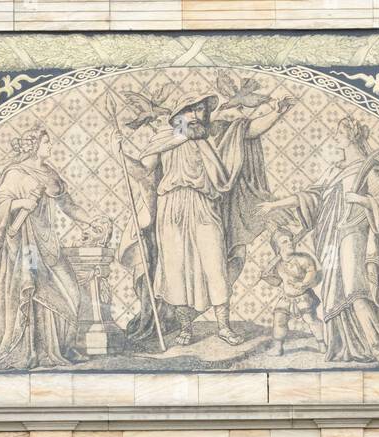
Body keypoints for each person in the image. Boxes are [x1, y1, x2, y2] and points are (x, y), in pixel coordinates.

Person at [117, 92, 290, 348]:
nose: (198, 116)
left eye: (201, 111)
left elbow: (248, 131)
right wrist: (121, 153)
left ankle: (224, 327)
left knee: (215, 266)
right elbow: (143, 171)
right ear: (177, 116)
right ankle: (185, 329)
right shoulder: (163, 139)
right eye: (192, 110)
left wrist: (277, 112)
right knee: (177, 270)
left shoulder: (210, 138)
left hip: (204, 205)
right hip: (171, 207)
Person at [263, 115, 379, 364]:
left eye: (339, 134)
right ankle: (345, 344)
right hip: (330, 238)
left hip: (354, 234)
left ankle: (378, 347)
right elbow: (309, 197)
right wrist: (274, 204)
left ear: (350, 137)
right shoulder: (334, 169)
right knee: (334, 293)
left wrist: (361, 200)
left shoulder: (369, 169)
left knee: (357, 289)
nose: (335, 138)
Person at [0, 128, 105, 368]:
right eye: (46, 142)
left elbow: (68, 205)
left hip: (48, 243)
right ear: (34, 146)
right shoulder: (16, 173)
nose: (50, 146)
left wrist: (90, 221)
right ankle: (31, 350)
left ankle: (62, 348)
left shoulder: (50, 174)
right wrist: (22, 202)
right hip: (24, 244)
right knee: (30, 290)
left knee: (72, 292)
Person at [261, 226, 322, 355]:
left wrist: (304, 283)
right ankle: (278, 347)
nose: (289, 243)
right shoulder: (277, 264)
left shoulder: (303, 258)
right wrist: (266, 276)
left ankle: (322, 344)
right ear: (278, 248)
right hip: (286, 297)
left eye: (290, 240)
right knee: (279, 320)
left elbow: (312, 271)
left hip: (303, 295)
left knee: (310, 319)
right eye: (284, 242)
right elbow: (277, 281)